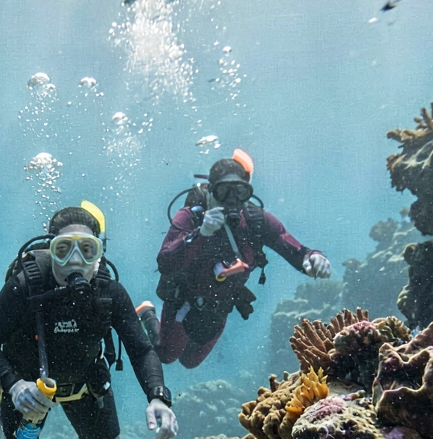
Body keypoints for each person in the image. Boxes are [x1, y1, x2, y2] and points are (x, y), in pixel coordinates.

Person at [0, 205, 178, 439]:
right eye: (63, 249)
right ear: (51, 250)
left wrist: (158, 396)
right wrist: (14, 385)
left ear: (99, 255)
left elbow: (141, 350)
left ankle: (142, 316)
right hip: (28, 386)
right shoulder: (25, 286)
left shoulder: (110, 292)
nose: (76, 260)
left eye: (87, 249)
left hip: (83, 383)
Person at [138, 151, 332, 369]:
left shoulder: (255, 220)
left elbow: (291, 246)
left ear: (247, 193)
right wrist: (201, 233)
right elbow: (165, 262)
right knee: (166, 355)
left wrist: (312, 257)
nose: (231, 200)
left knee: (190, 362)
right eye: (223, 192)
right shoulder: (192, 216)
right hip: (184, 299)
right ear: (211, 191)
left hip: (219, 307)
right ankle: (147, 313)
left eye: (240, 192)